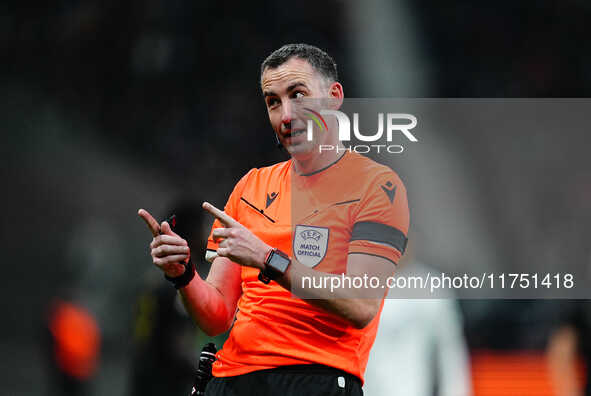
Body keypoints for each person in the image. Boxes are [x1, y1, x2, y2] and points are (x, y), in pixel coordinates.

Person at [138, 43, 409, 396]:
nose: (286, 115)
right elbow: (217, 314)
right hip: (230, 379)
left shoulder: (378, 186)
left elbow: (360, 305)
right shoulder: (251, 185)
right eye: (273, 102)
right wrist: (184, 275)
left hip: (316, 380)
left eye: (298, 95)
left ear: (334, 96)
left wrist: (267, 258)